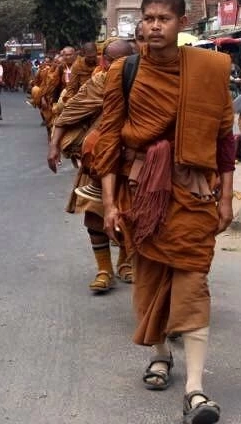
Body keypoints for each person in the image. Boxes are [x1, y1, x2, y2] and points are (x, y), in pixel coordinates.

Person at [96, 0, 235, 424]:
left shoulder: (209, 70)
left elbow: (225, 137)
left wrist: (227, 196)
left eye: (164, 19)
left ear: (181, 24)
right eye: (149, 18)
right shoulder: (125, 71)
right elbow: (108, 140)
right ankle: (160, 355)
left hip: (193, 193)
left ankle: (195, 389)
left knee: (193, 281)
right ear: (140, 22)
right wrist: (108, 202)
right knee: (150, 278)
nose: (155, 26)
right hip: (142, 193)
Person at [48, 38, 138, 293]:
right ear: (105, 61)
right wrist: (54, 145)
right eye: (115, 61)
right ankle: (103, 270)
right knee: (94, 217)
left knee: (130, 214)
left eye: (126, 61)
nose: (120, 66)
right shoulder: (98, 83)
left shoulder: (144, 81)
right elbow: (70, 112)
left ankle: (125, 262)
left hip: (133, 160)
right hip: (98, 160)